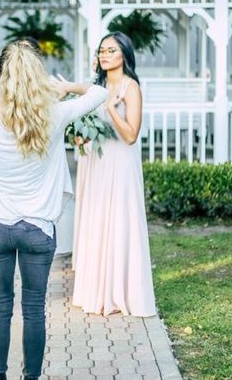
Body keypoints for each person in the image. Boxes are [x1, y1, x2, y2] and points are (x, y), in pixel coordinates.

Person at [0, 41, 107, 380]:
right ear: (37, 76)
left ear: (1, 75)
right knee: (34, 310)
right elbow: (99, 92)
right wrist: (67, 87)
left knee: (0, 308)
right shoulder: (54, 114)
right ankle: (31, 377)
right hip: (38, 229)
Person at [71, 31, 157, 317]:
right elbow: (83, 127)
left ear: (124, 54)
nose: (104, 55)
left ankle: (121, 291)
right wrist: (80, 136)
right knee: (98, 220)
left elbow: (131, 135)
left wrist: (110, 107)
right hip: (97, 163)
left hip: (120, 163)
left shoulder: (131, 87)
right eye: (101, 51)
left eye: (110, 50)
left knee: (119, 220)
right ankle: (96, 290)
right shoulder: (97, 86)